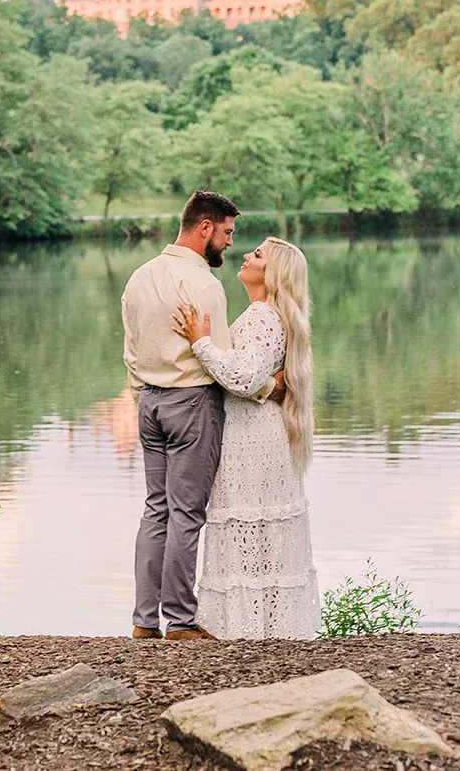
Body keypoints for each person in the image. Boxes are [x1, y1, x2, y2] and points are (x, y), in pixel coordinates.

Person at [122, 191, 276, 640]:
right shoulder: (205, 285)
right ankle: (181, 622)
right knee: (187, 514)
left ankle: (143, 622)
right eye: (227, 232)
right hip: (192, 404)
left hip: (150, 403)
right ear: (205, 227)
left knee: (156, 511)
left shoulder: (139, 277)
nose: (229, 243)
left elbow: (130, 351)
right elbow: (224, 364)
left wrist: (144, 396)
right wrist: (270, 386)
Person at [173, 236, 319, 640]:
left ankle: (248, 630)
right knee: (259, 533)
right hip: (263, 434)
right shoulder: (272, 314)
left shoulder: (261, 316)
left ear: (272, 274)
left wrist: (200, 342)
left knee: (249, 528)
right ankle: (264, 628)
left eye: (256, 255)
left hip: (253, 439)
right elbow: (262, 378)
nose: (246, 256)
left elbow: (243, 377)